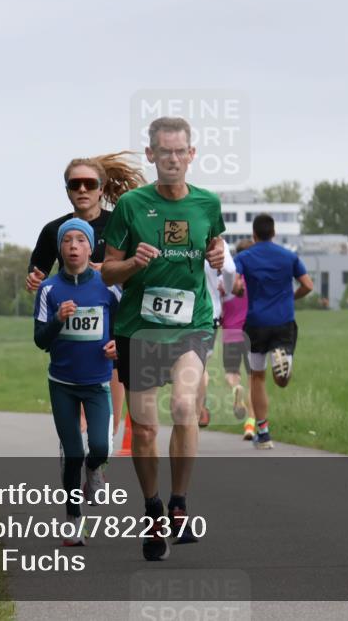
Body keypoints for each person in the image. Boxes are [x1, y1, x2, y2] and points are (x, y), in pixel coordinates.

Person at [101, 116, 225, 561]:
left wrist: (218, 253)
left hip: (192, 324)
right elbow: (107, 268)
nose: (173, 159)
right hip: (139, 327)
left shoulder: (209, 204)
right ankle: (152, 507)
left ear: (191, 155)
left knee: (186, 406)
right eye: (164, 152)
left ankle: (179, 503)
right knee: (147, 426)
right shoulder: (133, 206)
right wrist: (133, 263)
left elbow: (215, 252)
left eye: (180, 152)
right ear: (151, 155)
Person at [27, 152, 144, 437]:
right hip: (71, 330)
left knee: (107, 407)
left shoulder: (121, 223)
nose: (82, 190)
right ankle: (74, 451)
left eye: (89, 184)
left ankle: (100, 456)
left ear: (101, 188)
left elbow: (142, 269)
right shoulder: (53, 230)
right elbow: (38, 271)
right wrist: (33, 277)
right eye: (74, 184)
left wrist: (112, 270)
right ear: (67, 190)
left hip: (114, 323)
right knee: (76, 414)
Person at [34, 219, 119, 546]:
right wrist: (58, 320)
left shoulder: (107, 285)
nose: (73, 245)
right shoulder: (49, 289)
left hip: (98, 382)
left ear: (90, 246)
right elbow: (40, 340)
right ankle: (72, 517)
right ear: (60, 248)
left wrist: (119, 347)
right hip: (62, 384)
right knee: (71, 452)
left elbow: (124, 326)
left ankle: (93, 468)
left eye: (80, 240)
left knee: (100, 447)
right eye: (66, 240)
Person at [233, 214, 314, 450]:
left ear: (254, 235)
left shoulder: (245, 256)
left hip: (256, 324)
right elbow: (308, 285)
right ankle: (282, 363)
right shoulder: (289, 256)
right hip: (283, 322)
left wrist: (238, 292)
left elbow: (236, 284)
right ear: (274, 232)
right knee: (281, 382)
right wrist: (291, 297)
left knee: (257, 377)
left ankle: (264, 432)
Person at [195, 247, 236, 427]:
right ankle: (199, 410)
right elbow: (230, 269)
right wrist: (226, 289)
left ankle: (193, 407)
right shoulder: (216, 240)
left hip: (179, 311)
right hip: (209, 313)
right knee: (199, 364)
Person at [221, 239, 256, 439]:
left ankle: (236, 388)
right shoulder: (256, 281)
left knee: (231, 373)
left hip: (231, 333)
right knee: (254, 381)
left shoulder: (229, 280)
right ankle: (250, 426)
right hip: (252, 332)